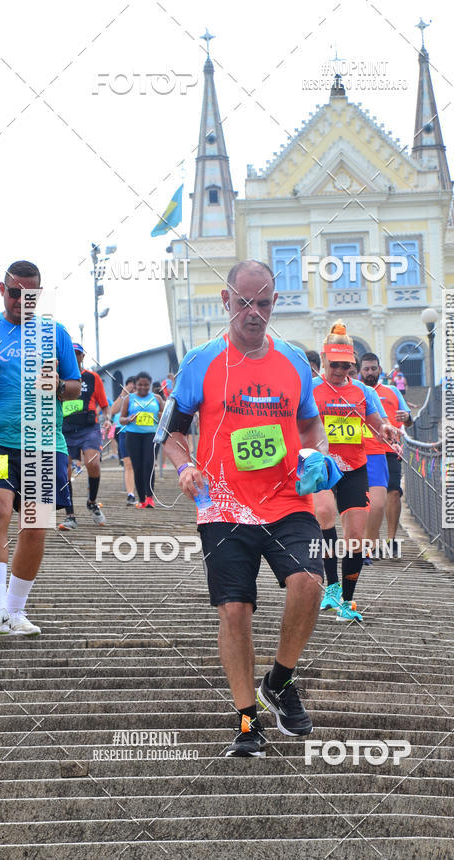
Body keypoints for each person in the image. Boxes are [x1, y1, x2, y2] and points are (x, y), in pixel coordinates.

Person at [159, 259, 333, 759]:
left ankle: (279, 681)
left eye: (262, 302)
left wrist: (312, 461)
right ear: (226, 301)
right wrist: (184, 467)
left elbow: (308, 426)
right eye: (243, 302)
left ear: (275, 303)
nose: (252, 312)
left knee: (310, 581)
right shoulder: (201, 362)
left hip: (285, 500)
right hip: (223, 505)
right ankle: (246, 721)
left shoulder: (295, 363)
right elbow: (172, 431)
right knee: (235, 610)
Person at [0, 260, 81, 636]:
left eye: (30, 295)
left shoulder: (54, 332)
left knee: (35, 526)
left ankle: (14, 611)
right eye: (14, 292)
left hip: (43, 440)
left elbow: (74, 387)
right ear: (1, 289)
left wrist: (57, 383)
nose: (20, 301)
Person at [312, 323, 395, 619]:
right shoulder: (310, 390)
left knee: (357, 536)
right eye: (334, 364)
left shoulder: (361, 391)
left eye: (345, 365)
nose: (338, 370)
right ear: (324, 360)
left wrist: (385, 429)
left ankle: (346, 602)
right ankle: (331, 585)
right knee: (323, 514)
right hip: (321, 466)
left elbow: (377, 421)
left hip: (354, 467)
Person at [360, 353, 412, 557]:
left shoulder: (392, 391)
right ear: (360, 370)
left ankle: (391, 540)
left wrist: (407, 418)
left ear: (380, 369)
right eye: (366, 369)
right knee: (368, 500)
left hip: (389, 450)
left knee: (393, 493)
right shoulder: (356, 392)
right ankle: (368, 543)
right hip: (364, 452)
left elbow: (409, 421)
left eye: (374, 368)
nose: (370, 372)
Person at [58, 343, 111, 529]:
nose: (75, 356)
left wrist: (108, 418)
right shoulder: (58, 376)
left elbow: (104, 404)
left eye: (78, 354)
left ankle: (92, 502)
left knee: (92, 463)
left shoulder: (92, 377)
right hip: (64, 429)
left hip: (89, 428)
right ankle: (70, 515)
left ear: (82, 356)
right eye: (71, 353)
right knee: (65, 471)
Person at [121, 372, 163, 508]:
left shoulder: (157, 398)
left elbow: (166, 417)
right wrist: (128, 419)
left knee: (149, 465)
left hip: (151, 435)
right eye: (140, 385)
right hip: (133, 435)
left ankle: (149, 497)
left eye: (146, 385)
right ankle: (141, 499)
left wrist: (161, 416)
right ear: (135, 385)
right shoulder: (129, 398)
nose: (143, 387)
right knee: (137, 466)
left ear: (150, 385)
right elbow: (121, 419)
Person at [111, 376, 136, 505]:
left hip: (141, 433)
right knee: (128, 463)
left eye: (134, 387)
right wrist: (123, 394)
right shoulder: (123, 397)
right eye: (130, 387)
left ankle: (145, 493)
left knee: (141, 464)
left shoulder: (142, 398)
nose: (132, 389)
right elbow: (113, 411)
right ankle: (130, 494)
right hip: (124, 432)